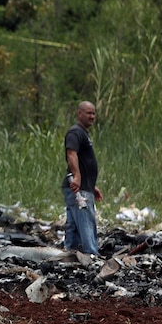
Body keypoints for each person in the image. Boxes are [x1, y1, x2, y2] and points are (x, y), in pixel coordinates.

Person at [62, 101, 103, 255]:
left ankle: (71, 254)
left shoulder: (83, 133)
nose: (92, 116)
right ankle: (91, 255)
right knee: (86, 222)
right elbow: (71, 153)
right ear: (79, 113)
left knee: (74, 223)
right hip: (78, 188)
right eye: (88, 113)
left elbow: (85, 162)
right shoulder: (75, 132)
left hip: (84, 186)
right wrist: (77, 176)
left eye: (93, 113)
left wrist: (92, 185)